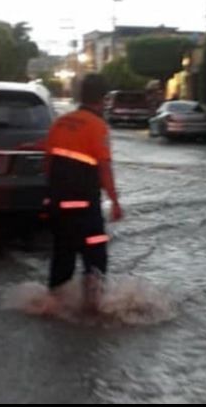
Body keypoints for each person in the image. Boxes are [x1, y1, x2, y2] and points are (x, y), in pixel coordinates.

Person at [43, 73, 123, 313]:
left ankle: (53, 306)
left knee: (62, 256)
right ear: (103, 99)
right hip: (85, 207)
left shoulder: (60, 122)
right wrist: (115, 202)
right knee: (96, 258)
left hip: (58, 205)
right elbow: (104, 168)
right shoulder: (98, 127)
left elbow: (47, 163)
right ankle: (93, 312)